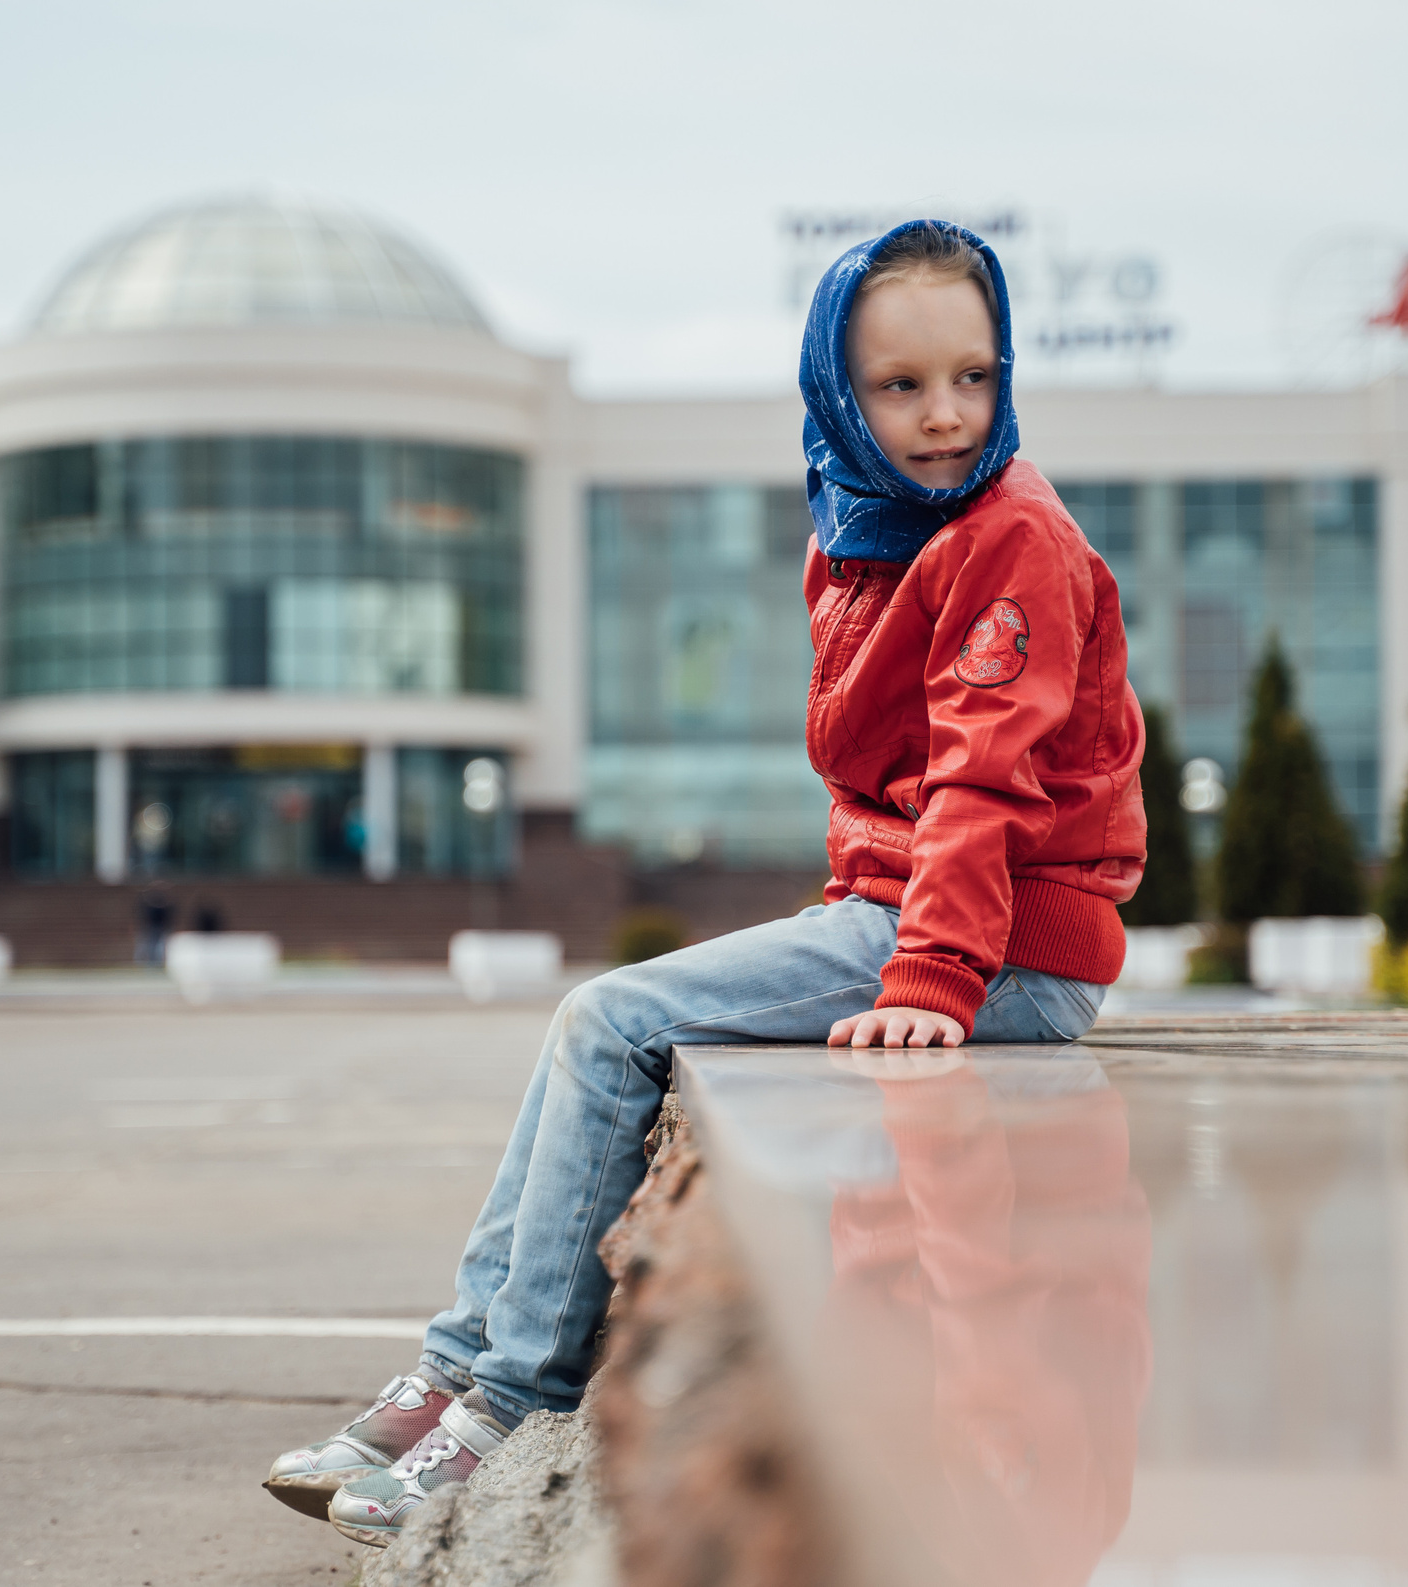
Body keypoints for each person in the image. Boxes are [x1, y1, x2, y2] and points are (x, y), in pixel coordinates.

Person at [261, 221, 1147, 1547]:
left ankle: (501, 1407)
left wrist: (934, 974)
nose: (948, 414)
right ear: (839, 394)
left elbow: (983, 772)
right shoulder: (866, 531)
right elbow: (886, 785)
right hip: (915, 914)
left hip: (1002, 942)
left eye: (974, 374)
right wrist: (869, 919)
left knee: (607, 1022)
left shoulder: (1008, 535)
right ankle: (450, 1366)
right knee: (600, 1023)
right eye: (902, 386)